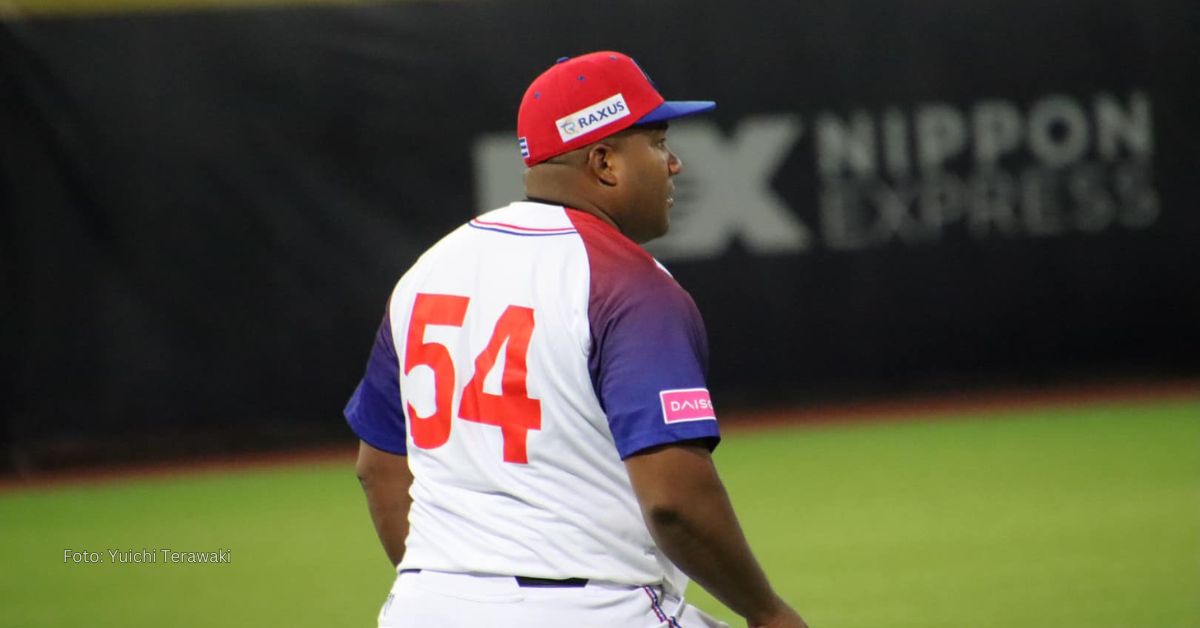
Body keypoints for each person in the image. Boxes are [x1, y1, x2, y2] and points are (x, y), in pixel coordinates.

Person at [345, 50, 808, 628]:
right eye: (658, 141)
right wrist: (767, 612)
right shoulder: (628, 284)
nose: (675, 164)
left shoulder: (428, 271)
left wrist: (456, 593)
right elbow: (674, 501)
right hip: (591, 607)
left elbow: (379, 468)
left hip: (423, 607)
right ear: (605, 162)